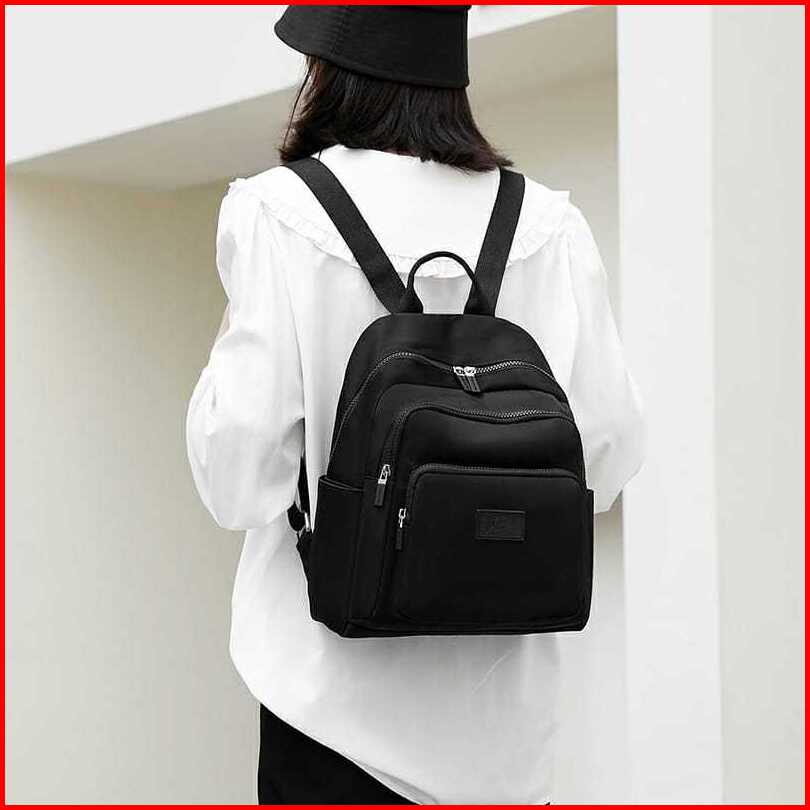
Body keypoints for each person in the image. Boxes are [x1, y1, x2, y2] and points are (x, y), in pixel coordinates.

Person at [187, 6, 644, 804]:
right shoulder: (548, 225)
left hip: (329, 724)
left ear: (330, 66)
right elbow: (606, 458)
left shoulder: (278, 213)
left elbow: (239, 481)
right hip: (503, 747)